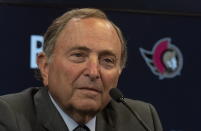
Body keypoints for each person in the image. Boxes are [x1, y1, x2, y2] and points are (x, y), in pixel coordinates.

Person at [0, 8, 163, 131]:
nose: (93, 72)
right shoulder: (9, 116)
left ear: (119, 72)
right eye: (78, 55)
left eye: (107, 60)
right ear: (45, 66)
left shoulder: (141, 120)